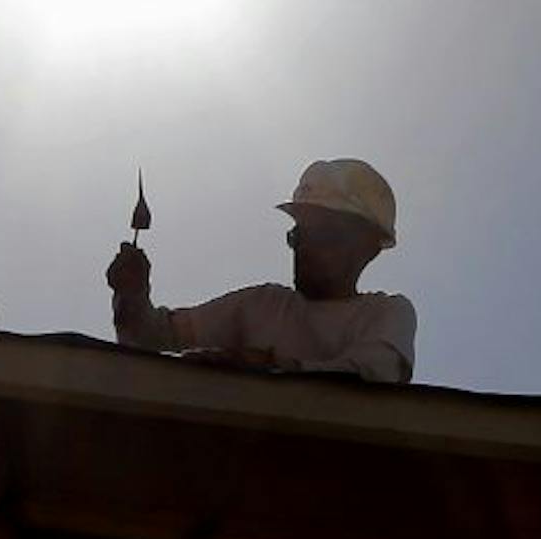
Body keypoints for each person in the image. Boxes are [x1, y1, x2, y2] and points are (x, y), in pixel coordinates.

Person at [104, 158, 417, 382]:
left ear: (367, 249)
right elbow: (154, 337)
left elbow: (374, 375)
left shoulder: (386, 313)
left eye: (323, 234)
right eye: (299, 235)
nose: (304, 248)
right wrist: (131, 297)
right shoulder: (261, 305)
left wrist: (270, 366)